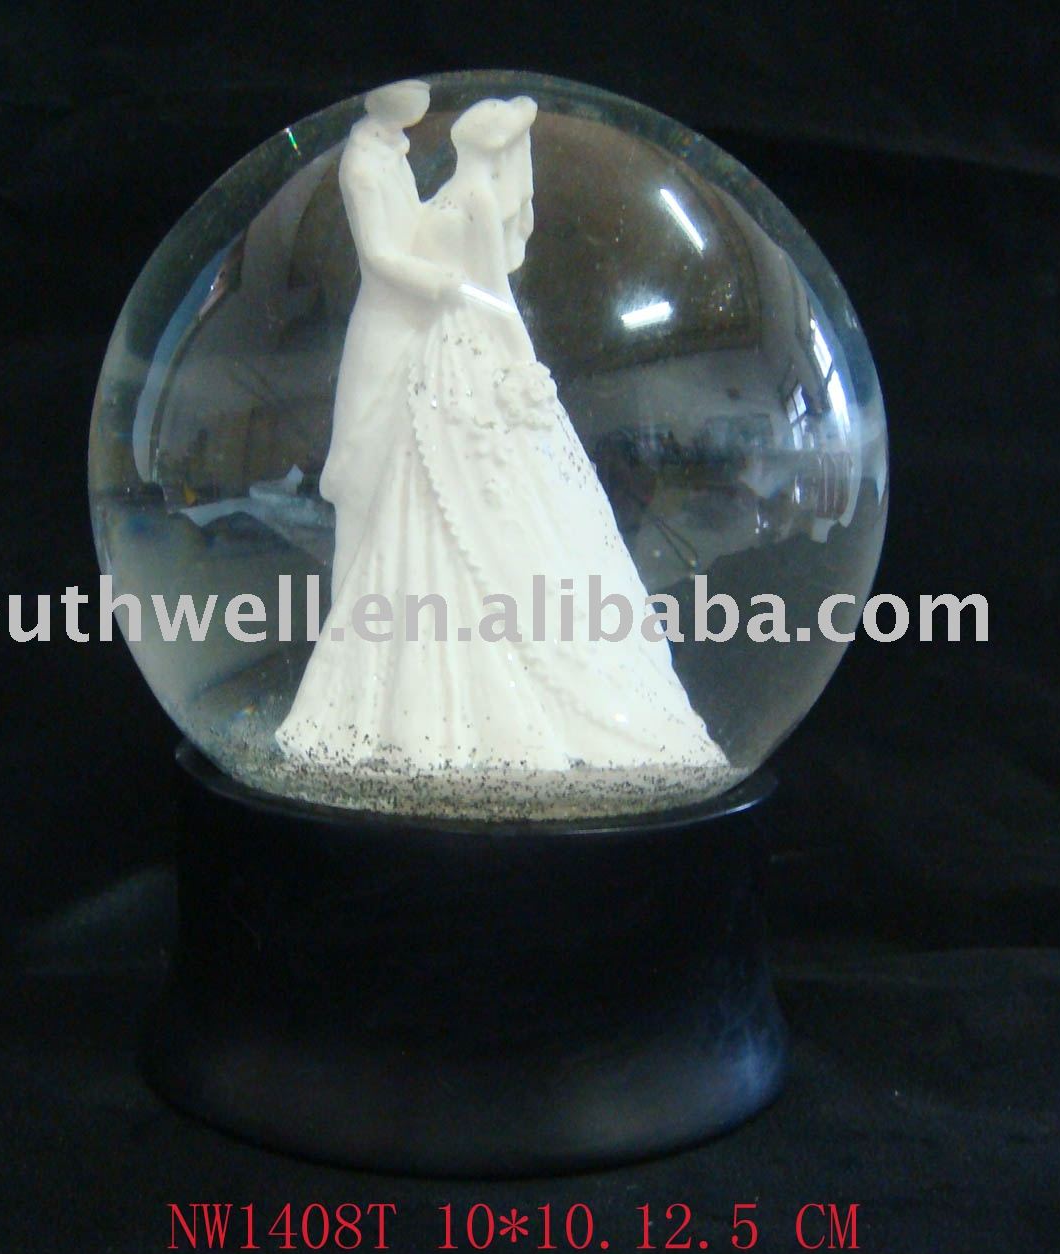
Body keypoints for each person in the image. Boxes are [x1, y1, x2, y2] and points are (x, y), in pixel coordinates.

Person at [278, 95, 726, 783]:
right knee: (430, 502)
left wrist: (519, 366)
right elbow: (424, 267)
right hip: (437, 353)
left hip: (460, 353)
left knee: (473, 508)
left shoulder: (475, 200)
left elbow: (496, 297)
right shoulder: (427, 181)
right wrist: (454, 296)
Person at [319, 79, 462, 598]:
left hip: (419, 317)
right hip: (386, 323)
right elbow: (379, 254)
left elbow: (413, 223)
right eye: (413, 87)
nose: (424, 94)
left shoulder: (395, 151)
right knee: (365, 458)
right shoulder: (361, 164)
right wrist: (439, 281)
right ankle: (351, 602)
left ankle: (408, 593)